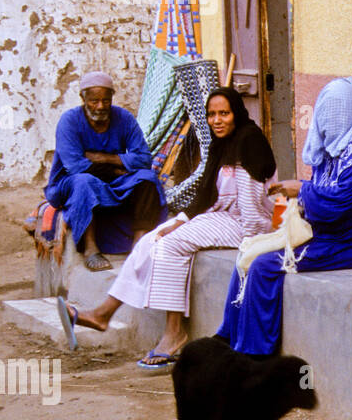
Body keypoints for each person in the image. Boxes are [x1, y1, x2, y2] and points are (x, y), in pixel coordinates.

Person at [57, 88, 277, 367]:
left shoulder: (249, 142)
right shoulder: (223, 142)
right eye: (211, 114)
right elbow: (206, 193)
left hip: (247, 224)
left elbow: (253, 208)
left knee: (170, 244)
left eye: (224, 113)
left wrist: (251, 242)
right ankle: (102, 314)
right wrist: (182, 221)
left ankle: (174, 334)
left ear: (237, 114)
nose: (216, 120)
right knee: (152, 239)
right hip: (221, 214)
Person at [217, 77, 352, 356]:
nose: (328, 120)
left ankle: (254, 351)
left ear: (349, 111)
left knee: (264, 266)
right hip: (323, 235)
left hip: (347, 245)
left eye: (335, 112)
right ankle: (228, 337)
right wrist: (298, 193)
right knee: (249, 250)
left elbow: (340, 203)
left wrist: (302, 191)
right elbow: (322, 192)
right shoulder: (336, 148)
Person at [44, 71, 165, 272]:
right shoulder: (69, 121)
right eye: (94, 101)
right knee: (84, 181)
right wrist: (118, 169)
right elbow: (75, 166)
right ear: (83, 98)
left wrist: (104, 158)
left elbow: (144, 158)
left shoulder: (123, 117)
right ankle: (91, 249)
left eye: (105, 100)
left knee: (147, 178)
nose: (100, 106)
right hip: (70, 183)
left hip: (113, 181)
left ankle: (139, 243)